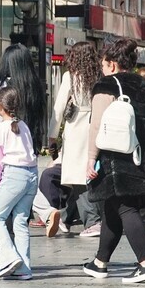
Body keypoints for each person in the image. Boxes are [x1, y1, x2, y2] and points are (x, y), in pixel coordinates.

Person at [82, 38, 145, 284]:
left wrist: (91, 159)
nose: (102, 69)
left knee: (125, 208)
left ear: (112, 64)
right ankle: (100, 262)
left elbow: (96, 127)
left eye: (103, 64)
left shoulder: (106, 87)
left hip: (117, 160)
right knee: (112, 208)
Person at [0, 44, 45, 227]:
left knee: (1, 203)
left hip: (4, 149)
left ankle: (3, 231)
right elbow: (40, 118)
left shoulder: (0, 86)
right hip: (28, 149)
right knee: (21, 212)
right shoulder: (35, 85)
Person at [49, 41, 102, 237]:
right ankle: (65, 218)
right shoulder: (99, 76)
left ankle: (93, 221)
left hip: (76, 129)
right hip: (95, 125)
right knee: (81, 176)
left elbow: (59, 107)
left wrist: (52, 135)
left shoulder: (70, 77)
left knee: (79, 177)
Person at [0, 86, 39, 280]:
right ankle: (24, 268)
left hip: (14, 175)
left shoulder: (0, 129)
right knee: (20, 221)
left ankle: (10, 257)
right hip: (32, 174)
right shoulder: (23, 126)